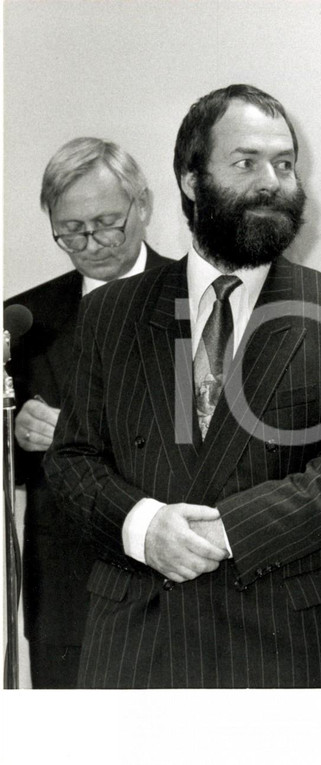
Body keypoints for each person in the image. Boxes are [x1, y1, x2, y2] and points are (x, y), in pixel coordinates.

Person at [45, 84, 321, 688]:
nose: (273, 181)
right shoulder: (110, 313)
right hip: (133, 641)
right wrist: (144, 526)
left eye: (284, 164)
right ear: (190, 180)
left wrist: (224, 530)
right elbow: (74, 458)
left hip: (277, 641)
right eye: (246, 163)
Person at [5, 137, 172, 688]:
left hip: (177, 582)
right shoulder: (24, 319)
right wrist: (14, 434)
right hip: (65, 592)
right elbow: (16, 476)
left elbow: (210, 441)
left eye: (107, 222)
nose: (92, 242)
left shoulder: (198, 302)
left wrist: (74, 436)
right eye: (71, 230)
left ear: (142, 206)